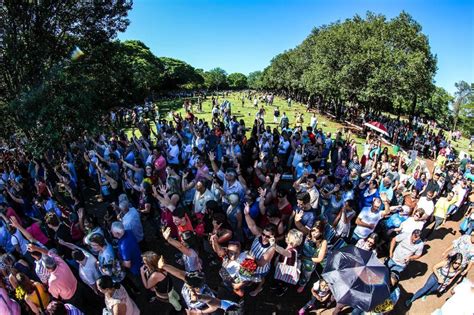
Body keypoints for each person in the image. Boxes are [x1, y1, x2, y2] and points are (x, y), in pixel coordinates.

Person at [243, 202, 277, 297]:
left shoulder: (271, 248)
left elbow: (261, 263)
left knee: (260, 278)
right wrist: (246, 214)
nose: (264, 237)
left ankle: (259, 288)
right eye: (263, 234)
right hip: (250, 262)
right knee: (250, 276)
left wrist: (251, 258)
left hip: (260, 269)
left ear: (272, 236)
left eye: (267, 236)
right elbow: (252, 226)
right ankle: (250, 280)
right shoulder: (259, 235)